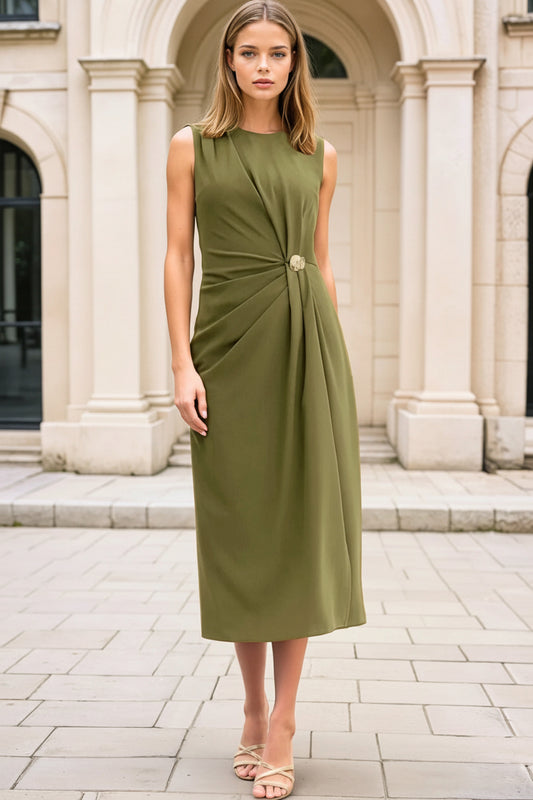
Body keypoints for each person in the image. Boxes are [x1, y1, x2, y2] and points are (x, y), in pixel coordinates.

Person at [163, 1, 366, 797]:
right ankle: (248, 705)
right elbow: (178, 258)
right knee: (243, 531)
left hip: (306, 348)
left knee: (299, 535)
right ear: (227, 60)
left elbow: (318, 263)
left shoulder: (318, 152)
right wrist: (181, 365)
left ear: (293, 63)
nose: (262, 65)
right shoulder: (191, 147)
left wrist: (332, 365)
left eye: (277, 52)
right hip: (227, 350)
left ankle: (282, 719)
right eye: (248, 51)